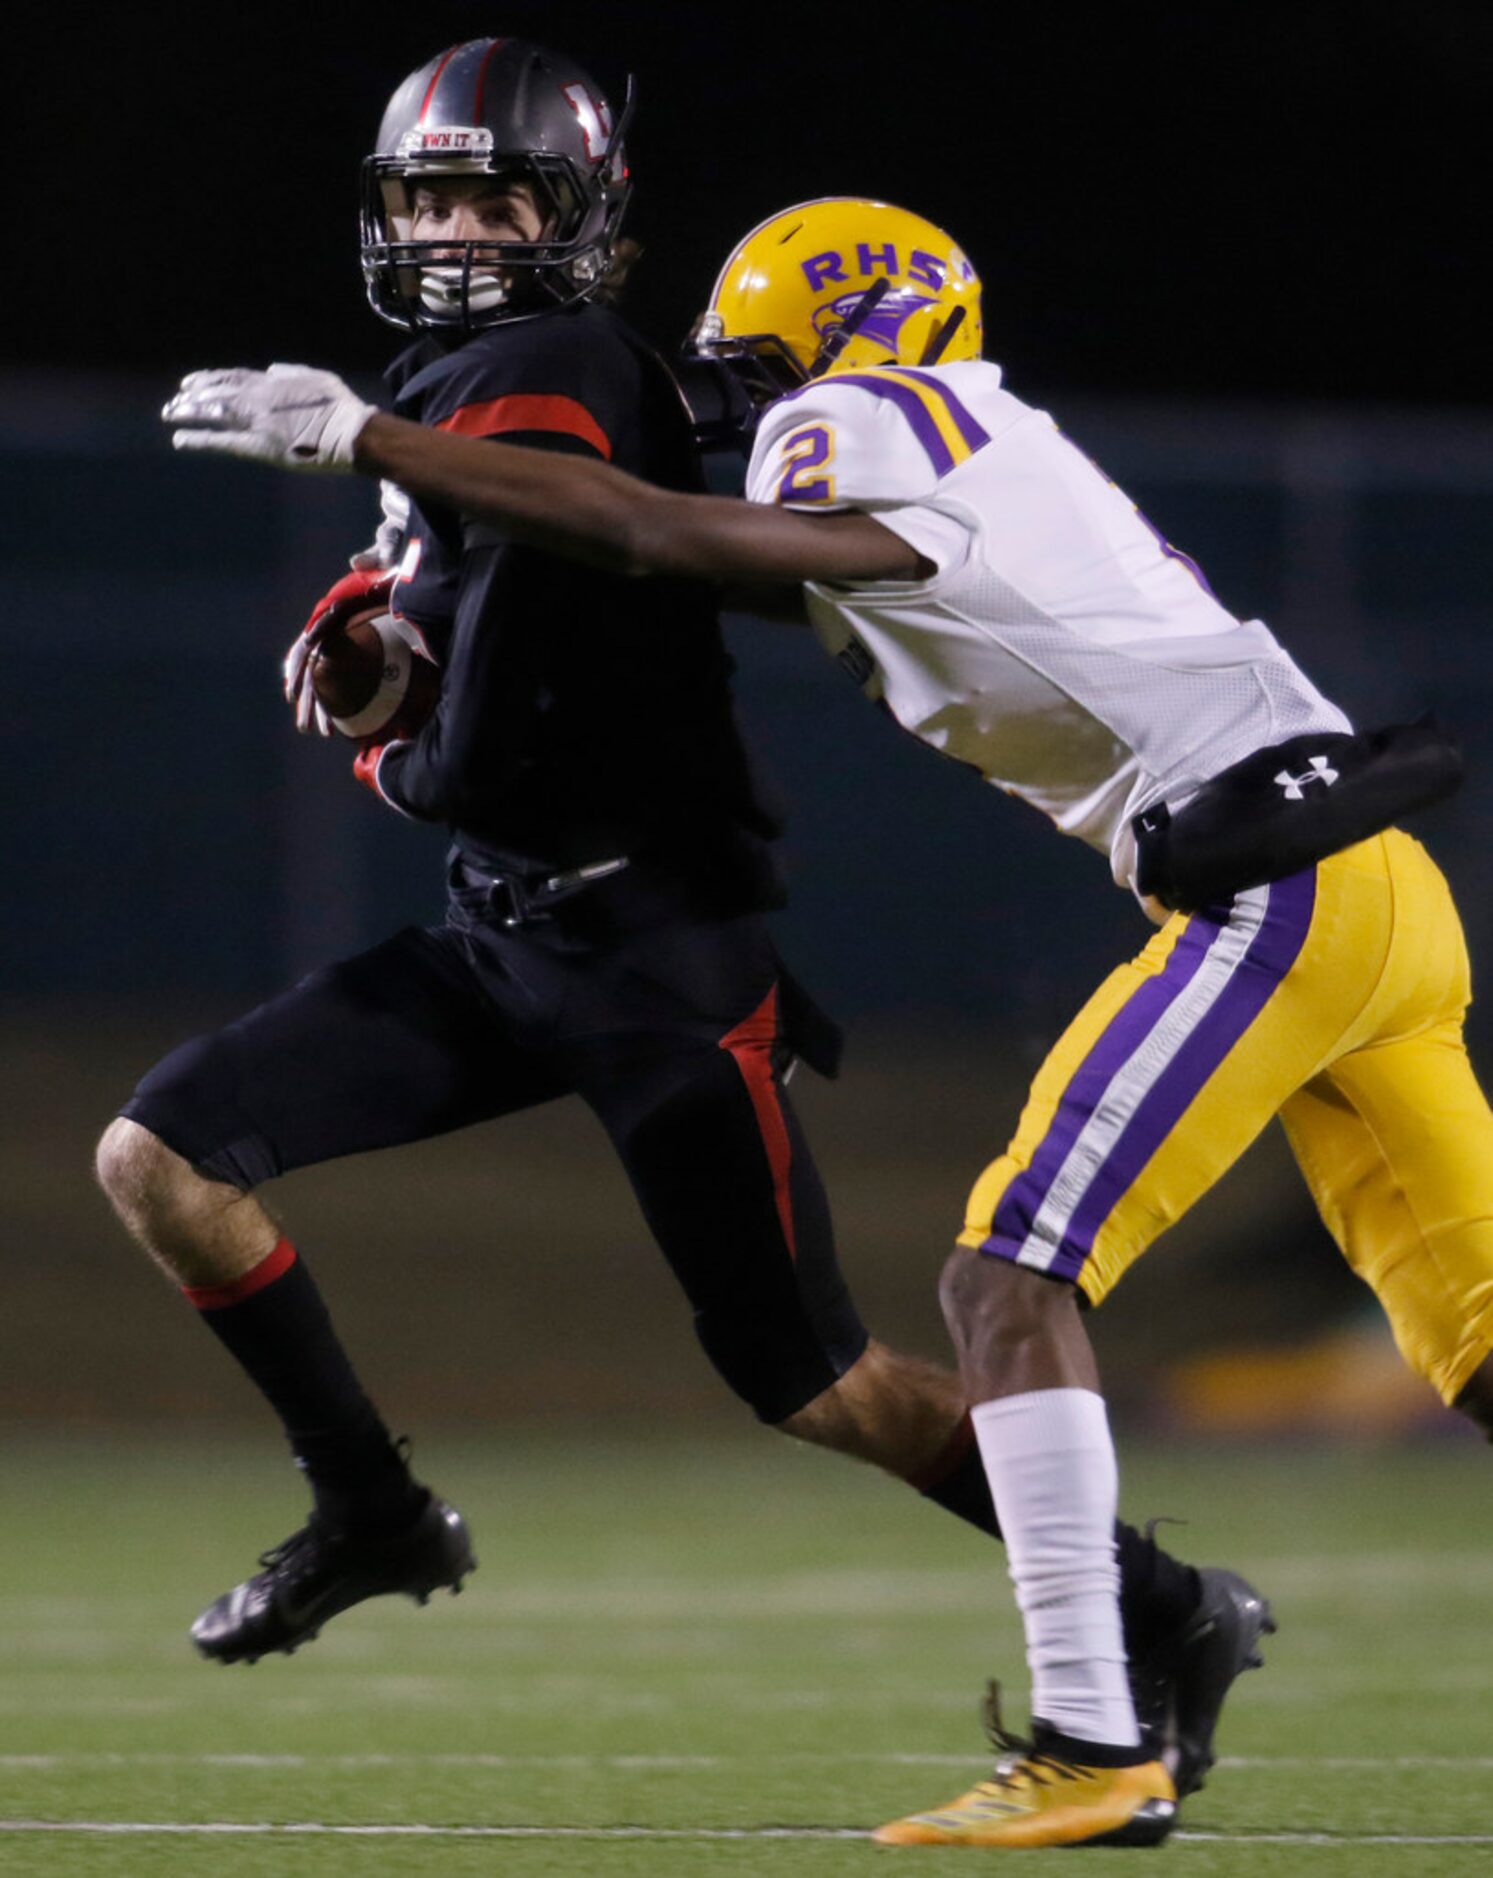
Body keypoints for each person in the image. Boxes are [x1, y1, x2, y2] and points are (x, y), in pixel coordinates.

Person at [163, 190, 1490, 1851]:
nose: (735, 402)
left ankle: (1095, 1738)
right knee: (1481, 1344)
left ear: (839, 339)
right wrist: (427, 565)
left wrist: (373, 438)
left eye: (757, 363)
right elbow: (661, 555)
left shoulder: (870, 413)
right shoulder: (974, 442)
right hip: (1371, 898)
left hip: (1277, 894)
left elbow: (660, 535)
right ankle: (1108, 1722)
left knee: (1003, 1278)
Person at [101, 47, 1240, 1779]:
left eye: (497, 196)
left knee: (821, 1387)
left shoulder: (554, 365)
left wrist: (378, 495)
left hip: (660, 954)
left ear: (578, 222)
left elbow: (589, 526)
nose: (459, 229)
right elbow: (452, 646)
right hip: (506, 936)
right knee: (159, 1155)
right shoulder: (463, 380)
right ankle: (372, 1505)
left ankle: (1157, 1602)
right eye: (428, 197)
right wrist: (377, 654)